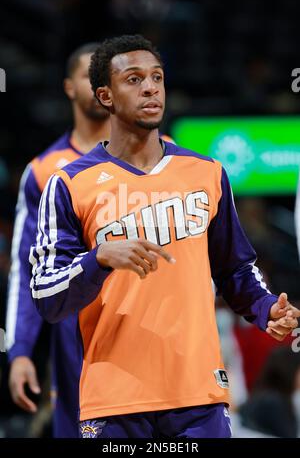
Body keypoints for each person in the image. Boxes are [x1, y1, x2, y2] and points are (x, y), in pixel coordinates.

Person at [30, 34, 300, 439]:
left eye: (157, 77)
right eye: (134, 79)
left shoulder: (206, 173)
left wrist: (266, 310)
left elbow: (236, 268)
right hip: (115, 400)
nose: (151, 87)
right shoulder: (69, 183)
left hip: (198, 394)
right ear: (104, 95)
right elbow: (47, 297)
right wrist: (98, 258)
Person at [5, 43, 111, 438]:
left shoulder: (163, 156)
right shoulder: (43, 171)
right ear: (69, 87)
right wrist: (19, 351)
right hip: (74, 337)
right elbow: (26, 269)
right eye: (90, 75)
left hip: (151, 323)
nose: (101, 84)